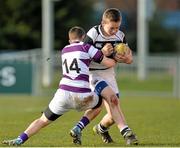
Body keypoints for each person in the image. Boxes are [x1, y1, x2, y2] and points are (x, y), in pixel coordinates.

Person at [2, 26, 117, 146]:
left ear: (69, 40)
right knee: (99, 105)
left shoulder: (65, 50)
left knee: (43, 120)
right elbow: (107, 62)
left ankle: (20, 139)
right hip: (82, 94)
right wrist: (112, 55)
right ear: (84, 37)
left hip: (63, 94)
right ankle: (78, 127)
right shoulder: (86, 46)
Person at [70, 8, 138, 145]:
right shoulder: (93, 34)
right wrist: (101, 52)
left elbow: (130, 59)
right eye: (111, 28)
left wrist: (124, 58)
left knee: (112, 115)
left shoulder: (120, 35)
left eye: (117, 27)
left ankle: (101, 128)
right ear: (103, 22)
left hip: (109, 73)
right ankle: (126, 132)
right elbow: (82, 58)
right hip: (93, 74)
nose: (114, 31)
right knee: (112, 100)